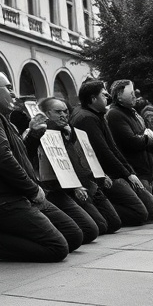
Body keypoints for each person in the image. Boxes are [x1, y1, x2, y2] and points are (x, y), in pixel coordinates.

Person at [0, 71, 82, 262]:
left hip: (17, 195)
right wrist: (32, 190)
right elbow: (3, 159)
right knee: (56, 247)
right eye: (9, 88)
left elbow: (20, 158)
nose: (14, 94)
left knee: (74, 234)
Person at [30, 97, 120, 236]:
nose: (63, 115)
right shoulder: (39, 135)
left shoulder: (71, 132)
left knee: (113, 223)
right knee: (97, 227)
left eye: (66, 111)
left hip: (83, 184)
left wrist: (99, 175)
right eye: (58, 112)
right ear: (46, 114)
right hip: (56, 189)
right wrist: (75, 186)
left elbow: (84, 158)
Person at [71, 80, 153, 226]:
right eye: (103, 95)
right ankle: (99, 209)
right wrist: (126, 174)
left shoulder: (98, 115)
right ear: (93, 99)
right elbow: (104, 152)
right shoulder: (87, 118)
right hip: (104, 176)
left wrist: (129, 173)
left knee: (151, 210)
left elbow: (112, 147)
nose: (107, 97)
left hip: (115, 173)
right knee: (140, 213)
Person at [106, 80, 153, 218]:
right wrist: (150, 138)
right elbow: (133, 142)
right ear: (119, 95)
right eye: (131, 94)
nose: (135, 97)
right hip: (139, 173)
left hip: (152, 172)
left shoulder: (134, 112)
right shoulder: (114, 114)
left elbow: (145, 138)